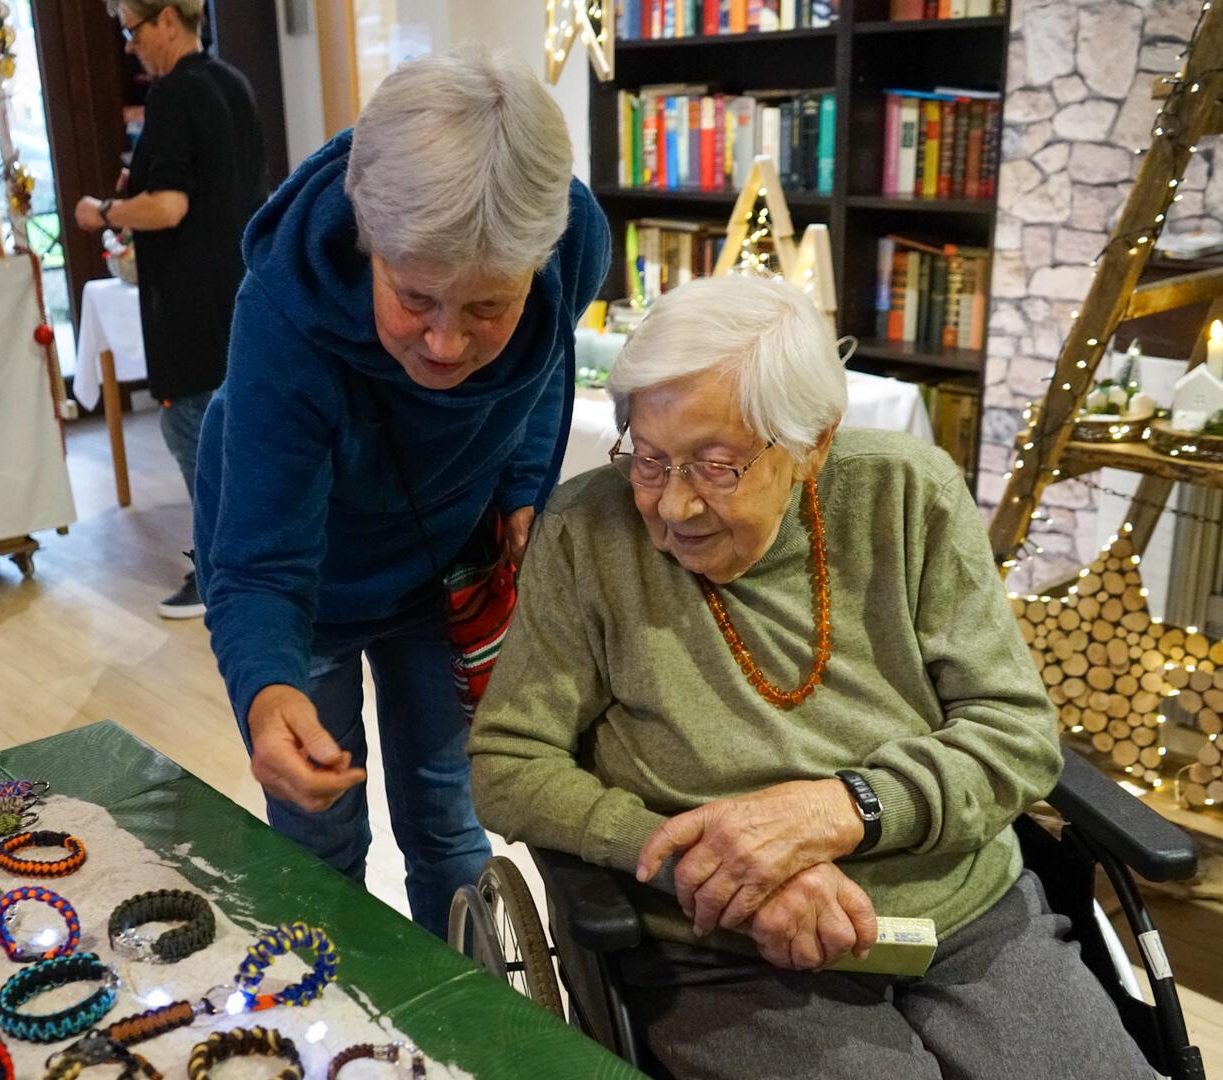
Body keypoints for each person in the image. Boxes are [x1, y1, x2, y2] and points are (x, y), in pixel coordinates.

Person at [466, 275, 1152, 1078]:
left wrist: (845, 809)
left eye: (716, 467)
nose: (673, 507)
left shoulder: (906, 495)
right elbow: (509, 765)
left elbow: (1016, 733)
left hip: (958, 917)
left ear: (812, 445)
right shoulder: (588, 532)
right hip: (719, 952)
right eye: (650, 460)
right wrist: (710, 867)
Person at [193, 49, 610, 938]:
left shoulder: (574, 243)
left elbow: (544, 375)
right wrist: (268, 695)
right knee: (320, 837)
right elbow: (260, 567)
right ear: (363, 240)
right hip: (304, 591)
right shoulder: (280, 316)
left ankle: (454, 1029)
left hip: (439, 570)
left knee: (448, 820)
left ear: (540, 263)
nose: (448, 345)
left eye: (487, 308)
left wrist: (526, 485)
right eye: (415, 298)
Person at [76, 0, 265, 620]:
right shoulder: (233, 83)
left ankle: (216, 575)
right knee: (236, 430)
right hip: (241, 285)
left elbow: (169, 206)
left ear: (166, 20)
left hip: (189, 295)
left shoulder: (174, 95)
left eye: (132, 31)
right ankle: (260, 566)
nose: (130, 45)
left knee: (191, 430)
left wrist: (101, 211)